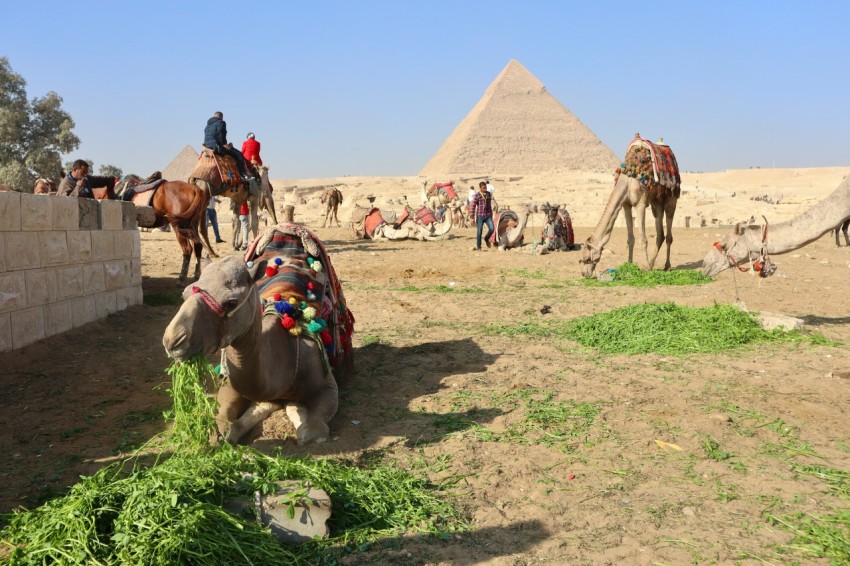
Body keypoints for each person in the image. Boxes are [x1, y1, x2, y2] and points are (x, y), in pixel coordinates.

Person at [204, 112, 253, 181]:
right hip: (217, 147)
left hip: (208, 147)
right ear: (221, 117)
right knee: (239, 154)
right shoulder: (221, 122)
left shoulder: (207, 126)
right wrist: (224, 144)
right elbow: (221, 134)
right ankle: (243, 175)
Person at [469, 181, 495, 251]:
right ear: (480, 188)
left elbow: (489, 205)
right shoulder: (477, 195)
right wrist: (472, 217)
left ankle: (486, 238)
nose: (485, 189)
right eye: (483, 188)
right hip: (480, 216)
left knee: (492, 229)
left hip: (488, 215)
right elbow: (473, 206)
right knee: (479, 232)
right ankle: (479, 247)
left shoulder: (489, 194)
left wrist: (491, 214)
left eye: (485, 188)